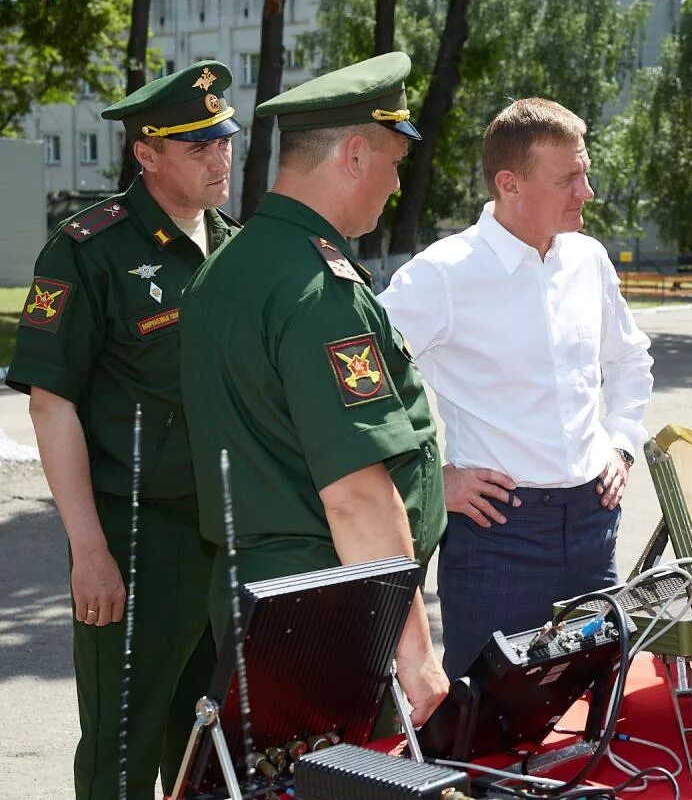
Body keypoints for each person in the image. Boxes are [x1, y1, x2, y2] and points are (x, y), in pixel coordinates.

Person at [179, 52, 448, 724]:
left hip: (263, 600)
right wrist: (414, 650)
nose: (393, 186)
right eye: (391, 164)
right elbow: (357, 496)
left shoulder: (226, 268)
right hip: (331, 612)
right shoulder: (317, 289)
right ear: (353, 154)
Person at [4, 61, 241, 799]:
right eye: (197, 145)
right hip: (138, 537)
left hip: (229, 539)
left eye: (224, 139)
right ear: (147, 153)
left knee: (215, 745)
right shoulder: (87, 250)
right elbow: (52, 404)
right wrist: (90, 552)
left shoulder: (235, 246)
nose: (220, 156)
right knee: (121, 749)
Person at [379, 98, 654, 679]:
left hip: (592, 523)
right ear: (510, 184)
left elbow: (630, 359)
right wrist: (430, 480)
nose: (588, 191)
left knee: (595, 705)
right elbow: (356, 385)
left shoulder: (589, 259)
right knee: (486, 727)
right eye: (569, 178)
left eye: (585, 171)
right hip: (500, 533)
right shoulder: (443, 275)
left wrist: (622, 445)